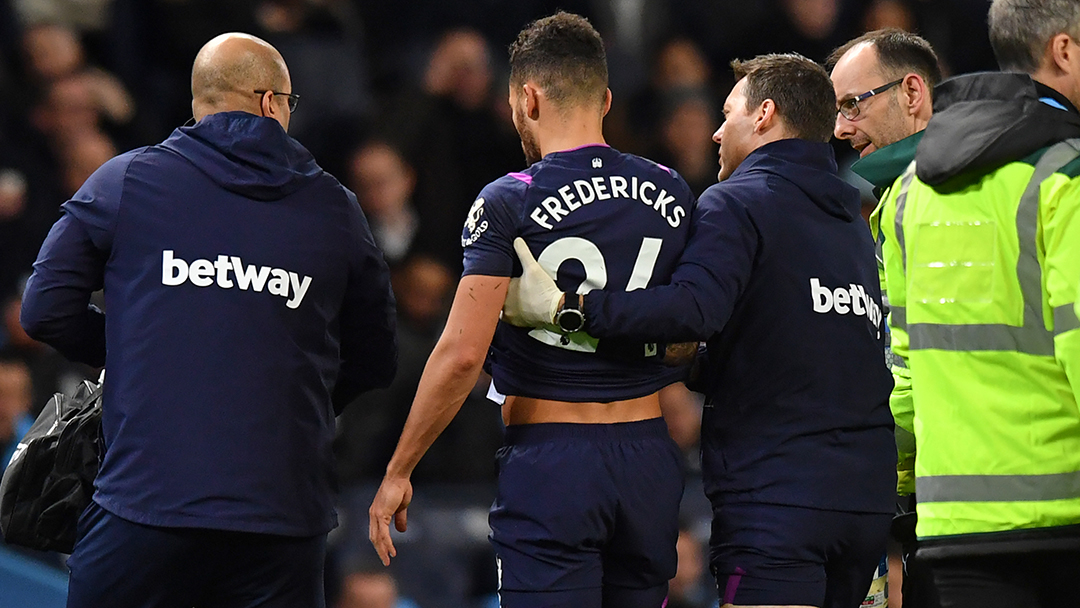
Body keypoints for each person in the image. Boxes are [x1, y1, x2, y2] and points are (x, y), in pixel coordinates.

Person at [19, 32, 397, 608]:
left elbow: (43, 309)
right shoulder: (336, 210)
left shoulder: (127, 182)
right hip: (281, 520)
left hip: (143, 505)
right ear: (271, 103)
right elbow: (375, 358)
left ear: (201, 103)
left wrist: (135, 357)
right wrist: (293, 394)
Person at [504, 53, 895, 608]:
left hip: (777, 504)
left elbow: (691, 309)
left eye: (727, 112)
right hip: (865, 506)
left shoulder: (737, 202)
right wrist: (692, 362)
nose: (715, 130)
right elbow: (795, 349)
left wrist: (571, 307)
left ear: (764, 115)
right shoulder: (854, 226)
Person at [368, 12, 695, 608]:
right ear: (606, 99)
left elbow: (464, 353)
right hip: (650, 455)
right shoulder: (673, 191)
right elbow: (691, 328)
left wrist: (399, 468)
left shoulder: (509, 197)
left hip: (555, 460)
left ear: (527, 98)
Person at [873, 0, 1080, 605]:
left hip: (951, 529)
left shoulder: (910, 194)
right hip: (1065, 524)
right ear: (1063, 51)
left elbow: (902, 375)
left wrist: (906, 494)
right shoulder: (1063, 179)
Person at [826, 28, 941, 608]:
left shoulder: (919, 196)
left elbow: (913, 356)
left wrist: (877, 463)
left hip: (947, 485)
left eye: (853, 104)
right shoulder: (900, 193)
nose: (841, 128)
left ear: (913, 92)